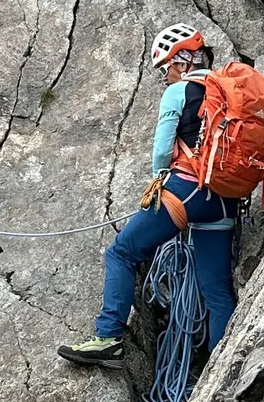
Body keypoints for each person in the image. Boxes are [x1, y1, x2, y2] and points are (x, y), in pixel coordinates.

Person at [58, 27, 247, 369]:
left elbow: (162, 150)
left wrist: (161, 176)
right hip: (224, 199)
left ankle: (108, 338)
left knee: (122, 252)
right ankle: (221, 374)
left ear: (182, 61)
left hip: (186, 191)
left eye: (166, 68)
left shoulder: (179, 91)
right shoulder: (227, 91)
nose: (165, 76)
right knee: (217, 293)